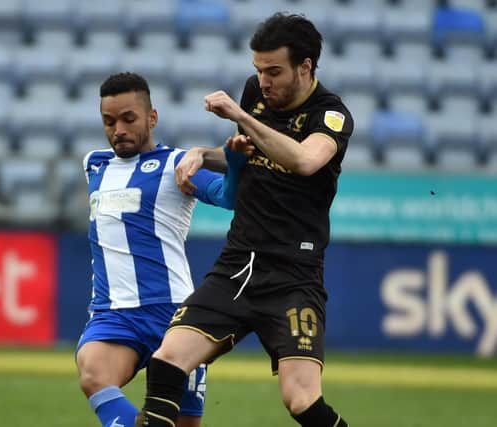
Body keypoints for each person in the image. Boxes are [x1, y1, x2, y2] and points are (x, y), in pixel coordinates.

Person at [134, 13, 354, 427]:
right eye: (258, 71)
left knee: (301, 400)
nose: (263, 81)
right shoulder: (256, 94)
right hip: (237, 266)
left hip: (294, 275)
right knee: (167, 361)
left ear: (305, 67)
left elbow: (305, 160)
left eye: (274, 71)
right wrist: (207, 153)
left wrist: (241, 116)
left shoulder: (331, 115)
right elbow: (251, 154)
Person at [75, 72, 245, 427]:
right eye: (109, 121)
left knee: (184, 423)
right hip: (113, 313)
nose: (118, 129)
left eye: (128, 119)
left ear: (152, 118)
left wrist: (237, 164)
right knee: (93, 374)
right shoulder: (95, 163)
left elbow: (228, 198)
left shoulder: (177, 164)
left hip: (175, 316)